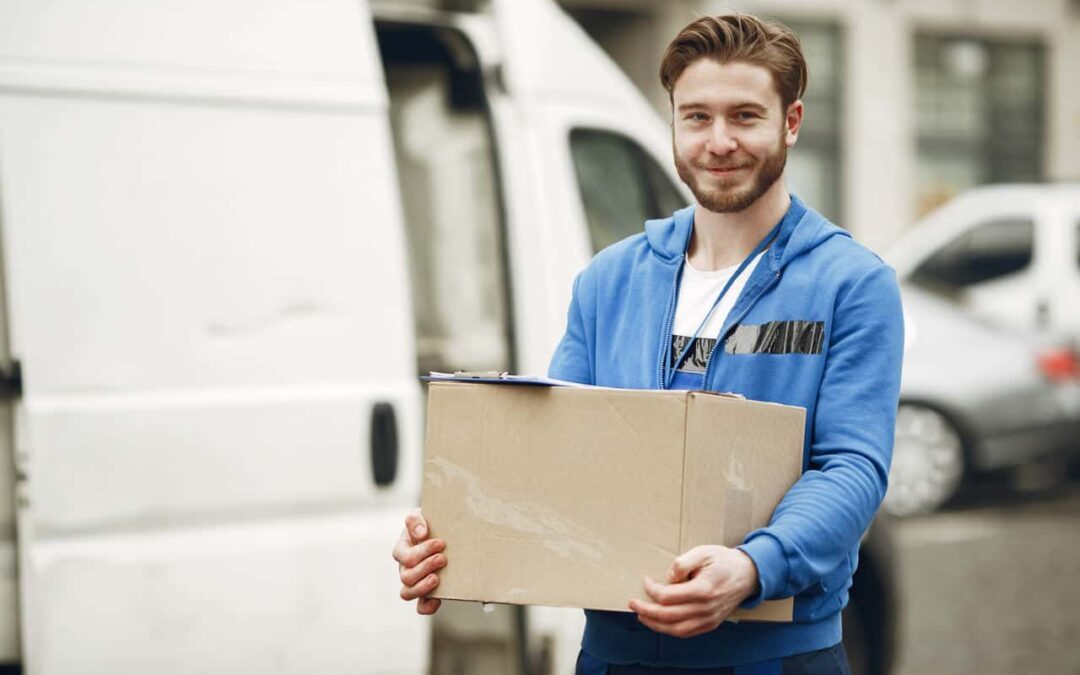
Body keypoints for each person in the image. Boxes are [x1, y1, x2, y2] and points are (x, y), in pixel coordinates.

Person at [393, 13, 903, 675]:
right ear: (673, 123)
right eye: (696, 117)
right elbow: (550, 459)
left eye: (745, 116)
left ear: (792, 122)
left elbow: (851, 467)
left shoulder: (851, 284)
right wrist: (453, 537)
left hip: (774, 656)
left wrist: (754, 564)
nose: (719, 141)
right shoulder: (610, 279)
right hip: (615, 655)